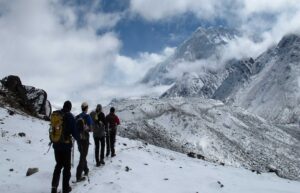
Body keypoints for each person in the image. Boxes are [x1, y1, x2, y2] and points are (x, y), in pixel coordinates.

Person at [51, 101, 79, 193]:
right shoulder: (70, 117)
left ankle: (54, 188)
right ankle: (65, 188)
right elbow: (75, 133)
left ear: (63, 106)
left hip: (56, 144)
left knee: (58, 165)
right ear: (70, 108)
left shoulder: (56, 114)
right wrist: (79, 139)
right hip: (66, 146)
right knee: (67, 167)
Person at [75, 102, 93, 182]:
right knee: (83, 156)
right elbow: (91, 128)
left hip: (78, 139)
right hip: (85, 139)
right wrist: (88, 129)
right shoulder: (87, 116)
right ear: (86, 108)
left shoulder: (78, 116)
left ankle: (86, 170)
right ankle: (78, 175)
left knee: (82, 154)